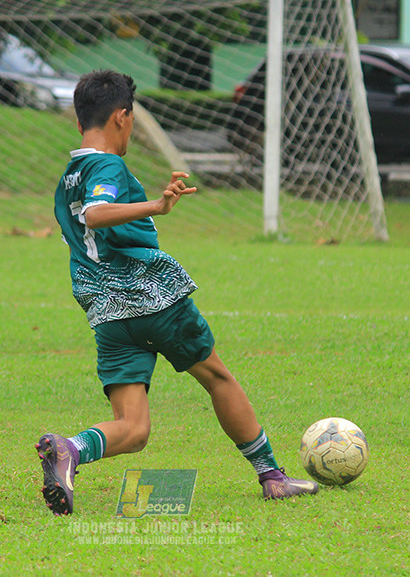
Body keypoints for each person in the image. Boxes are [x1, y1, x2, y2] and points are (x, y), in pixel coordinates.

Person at [38, 69, 318, 515]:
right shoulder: (107, 165)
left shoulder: (68, 176)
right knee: (217, 377)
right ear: (122, 117)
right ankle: (272, 476)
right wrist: (158, 205)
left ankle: (70, 449)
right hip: (152, 300)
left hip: (107, 314)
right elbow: (96, 212)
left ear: (78, 122)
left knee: (134, 429)